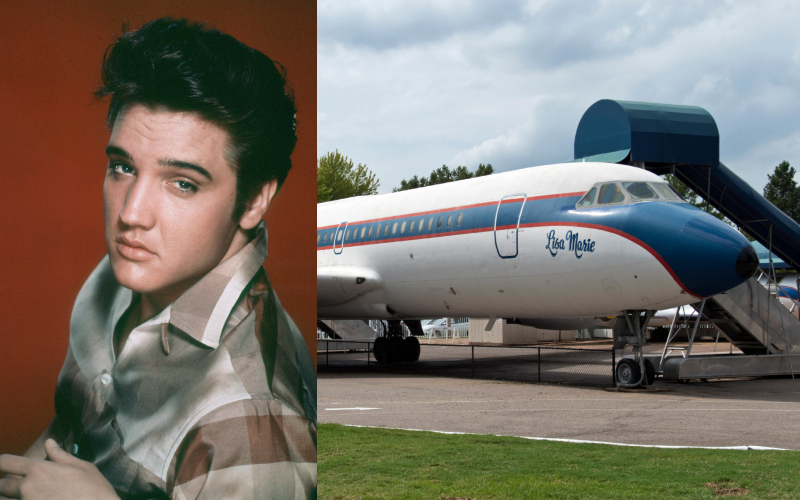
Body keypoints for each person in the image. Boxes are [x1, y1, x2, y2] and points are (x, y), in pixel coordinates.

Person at [0, 18, 316, 500]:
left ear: (254, 201)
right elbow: (70, 428)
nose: (131, 214)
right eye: (123, 167)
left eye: (182, 183)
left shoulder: (250, 425)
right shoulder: (140, 264)